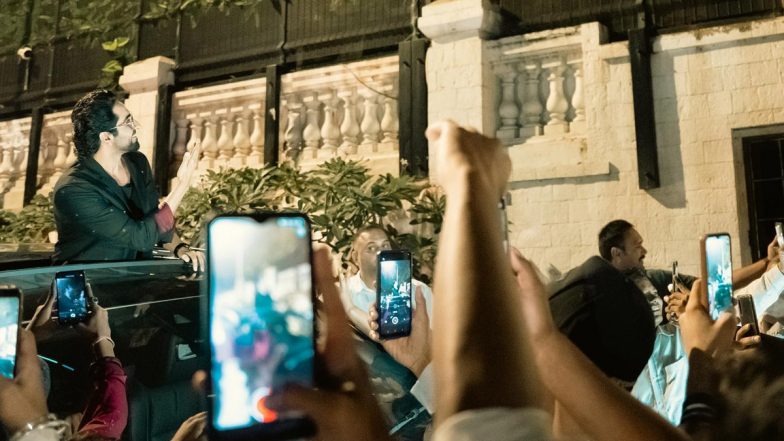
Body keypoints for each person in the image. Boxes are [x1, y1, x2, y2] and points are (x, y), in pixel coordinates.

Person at [52, 89, 204, 271]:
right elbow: (140, 237)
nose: (136, 126)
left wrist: (180, 248)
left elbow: (154, 219)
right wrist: (182, 184)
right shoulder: (73, 190)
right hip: (87, 291)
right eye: (128, 122)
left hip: (132, 285)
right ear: (106, 137)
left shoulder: (136, 163)